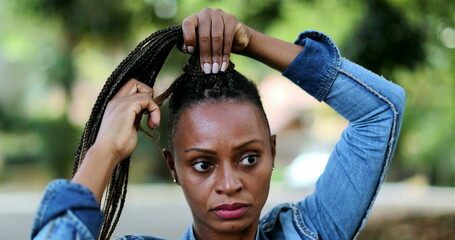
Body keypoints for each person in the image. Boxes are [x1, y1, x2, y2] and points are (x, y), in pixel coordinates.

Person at [31, 8, 405, 240]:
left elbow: (380, 110)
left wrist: (251, 41)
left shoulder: (310, 233)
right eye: (203, 164)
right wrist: (104, 150)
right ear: (172, 166)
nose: (229, 185)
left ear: (272, 151)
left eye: (248, 158)